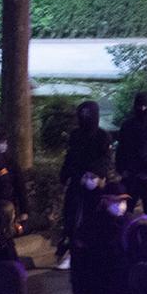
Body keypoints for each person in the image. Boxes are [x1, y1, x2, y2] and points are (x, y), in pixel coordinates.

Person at [57, 101, 113, 269]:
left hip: (94, 184)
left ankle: (94, 253)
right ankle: (70, 252)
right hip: (77, 182)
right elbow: (70, 157)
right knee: (72, 218)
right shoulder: (75, 135)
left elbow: (106, 160)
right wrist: (64, 175)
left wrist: (96, 175)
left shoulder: (103, 136)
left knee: (94, 219)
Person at [116, 92, 147, 219]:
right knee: (127, 208)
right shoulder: (128, 125)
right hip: (130, 174)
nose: (142, 108)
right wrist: (121, 169)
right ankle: (127, 235)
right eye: (139, 105)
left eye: (144, 105)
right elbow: (121, 148)